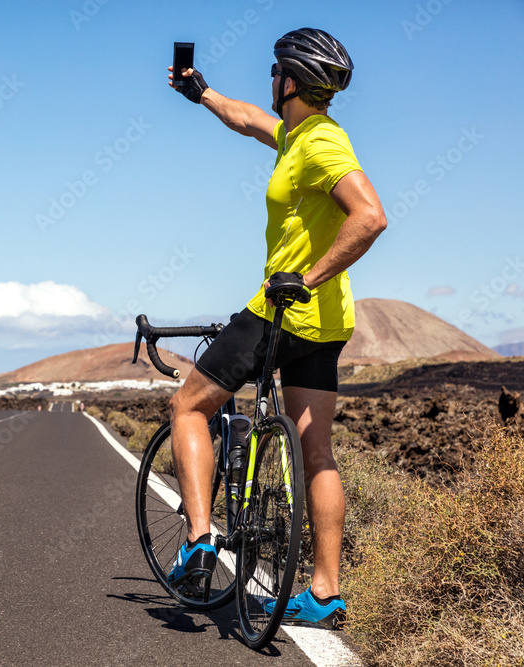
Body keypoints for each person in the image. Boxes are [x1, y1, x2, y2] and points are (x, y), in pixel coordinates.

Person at [164, 28, 387, 628]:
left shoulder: (320, 146)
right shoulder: (298, 135)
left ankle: (200, 537)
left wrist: (304, 278)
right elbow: (249, 121)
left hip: (282, 311)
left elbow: (371, 217)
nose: (270, 81)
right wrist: (202, 92)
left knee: (187, 405)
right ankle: (322, 593)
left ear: (288, 79)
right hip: (329, 323)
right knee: (317, 451)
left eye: (273, 72)